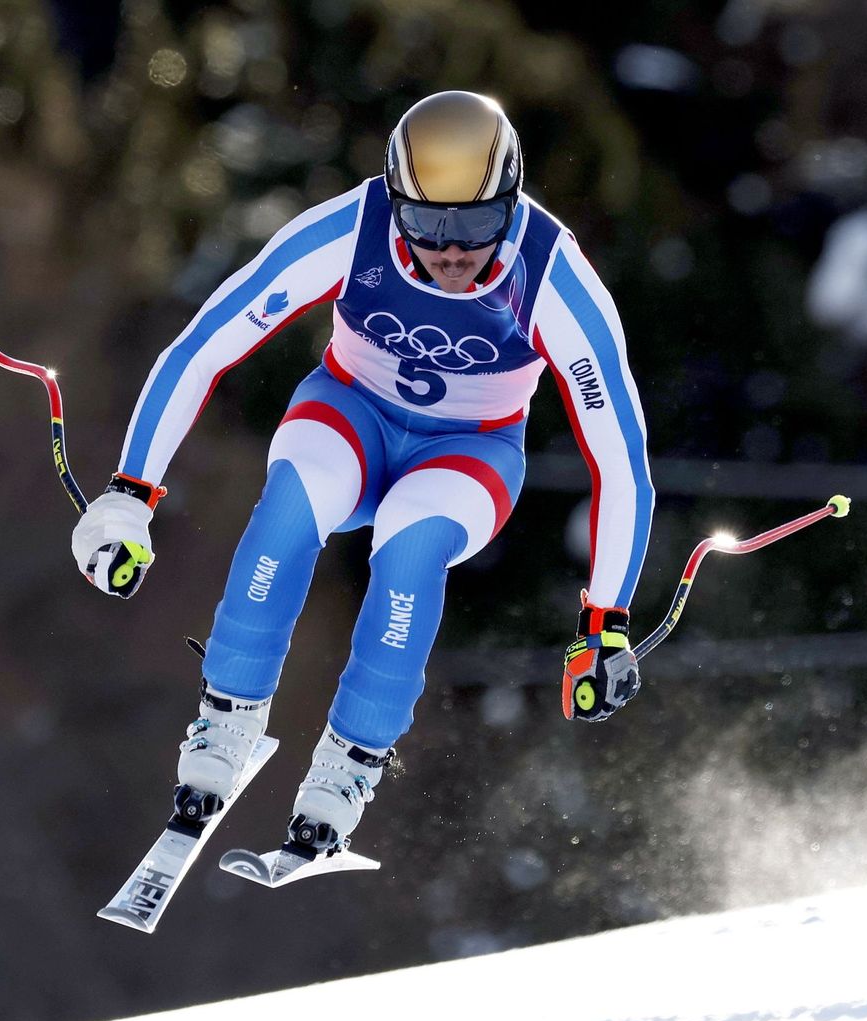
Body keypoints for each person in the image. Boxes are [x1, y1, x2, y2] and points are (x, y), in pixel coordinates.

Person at [71, 90, 654, 859]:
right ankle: (227, 714)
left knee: (410, 554)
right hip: (350, 413)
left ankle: (347, 766)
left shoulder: (552, 276)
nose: (450, 252)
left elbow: (622, 459)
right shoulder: (354, 227)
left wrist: (603, 622)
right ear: (394, 200)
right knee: (289, 505)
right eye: (426, 225)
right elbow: (202, 343)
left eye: (475, 226)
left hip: (468, 453)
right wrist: (130, 492)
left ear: (511, 204)